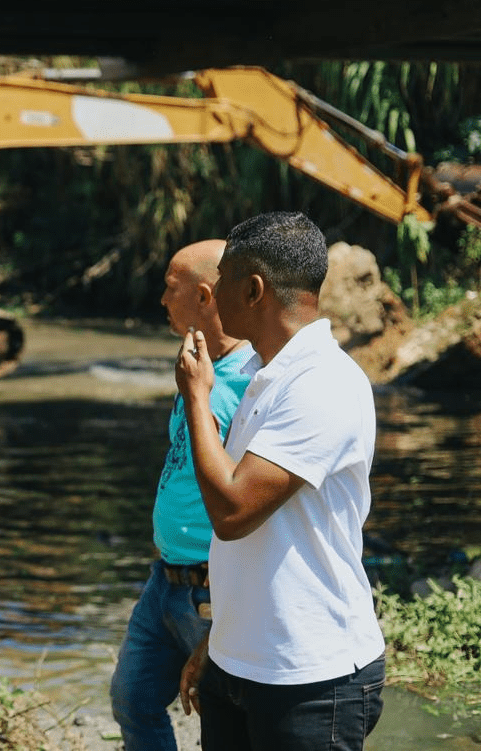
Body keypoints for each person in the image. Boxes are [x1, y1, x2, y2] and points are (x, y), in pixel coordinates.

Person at [175, 212, 385, 750]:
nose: (213, 292)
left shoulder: (323, 385)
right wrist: (218, 642)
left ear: (253, 289)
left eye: (222, 279)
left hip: (311, 679)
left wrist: (197, 396)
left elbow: (233, 514)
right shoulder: (264, 376)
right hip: (240, 664)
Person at [109, 239, 253, 751]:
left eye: (172, 289)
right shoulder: (197, 367)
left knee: (225, 721)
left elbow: (251, 502)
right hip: (164, 580)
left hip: (211, 589)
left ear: (207, 296)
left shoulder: (249, 386)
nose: (162, 301)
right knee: (133, 700)